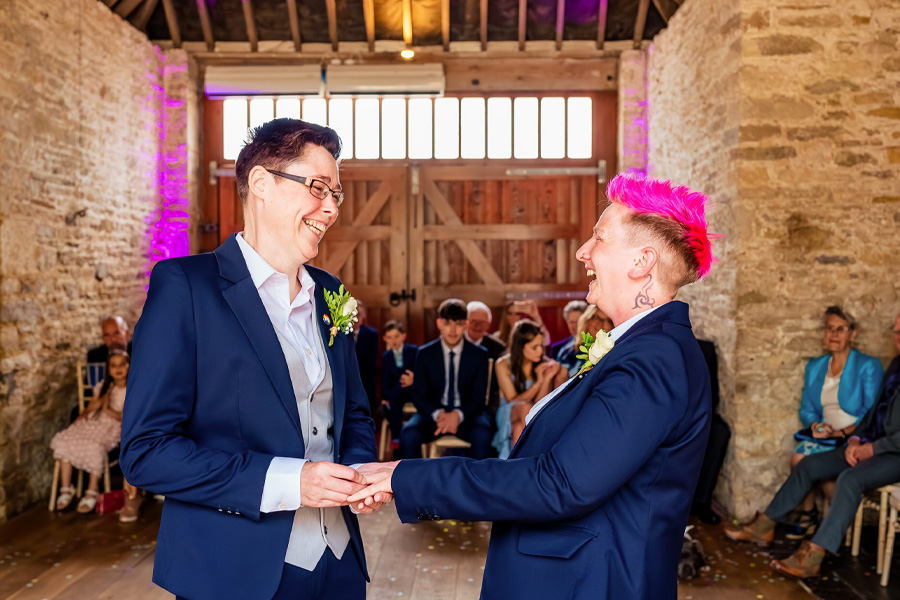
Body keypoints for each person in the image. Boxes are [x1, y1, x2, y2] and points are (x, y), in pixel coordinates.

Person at [351, 173, 718, 599]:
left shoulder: (653, 359)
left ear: (642, 262)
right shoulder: (643, 348)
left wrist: (407, 476)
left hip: (593, 584)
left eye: (598, 238)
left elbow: (559, 484)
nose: (584, 251)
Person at [120, 119, 383, 600]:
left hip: (340, 563)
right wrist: (291, 482)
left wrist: (359, 473)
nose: (330, 208)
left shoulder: (332, 294)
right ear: (261, 183)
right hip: (233, 569)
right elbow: (146, 453)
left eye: (337, 194)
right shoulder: (186, 288)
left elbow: (352, 413)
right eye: (318, 187)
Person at [725, 311, 900, 579]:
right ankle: (764, 525)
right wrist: (856, 439)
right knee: (809, 464)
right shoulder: (896, 365)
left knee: (850, 479)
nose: (898, 338)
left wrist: (870, 448)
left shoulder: (870, 365)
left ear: (852, 333)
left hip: (893, 454)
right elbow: (874, 412)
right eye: (896, 331)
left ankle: (814, 554)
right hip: (870, 443)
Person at [786, 306, 881, 538]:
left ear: (853, 334)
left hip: (854, 435)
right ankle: (809, 514)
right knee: (798, 457)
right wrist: (816, 427)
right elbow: (807, 409)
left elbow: (871, 411)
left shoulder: (868, 366)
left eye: (841, 329)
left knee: (829, 479)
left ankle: (831, 531)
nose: (834, 334)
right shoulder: (815, 366)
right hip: (826, 436)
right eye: (830, 328)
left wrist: (843, 433)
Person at [399, 298, 492, 460]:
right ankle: (413, 484)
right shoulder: (425, 353)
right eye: (448, 323)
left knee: (483, 435)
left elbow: (479, 399)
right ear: (439, 324)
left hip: (467, 415)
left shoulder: (479, 355)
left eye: (458, 323)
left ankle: (477, 484)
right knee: (409, 434)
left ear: (466, 325)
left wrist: (457, 415)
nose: (453, 329)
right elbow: (418, 396)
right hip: (434, 415)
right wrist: (438, 414)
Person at [52, 349, 130, 514]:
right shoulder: (103, 386)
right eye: (113, 365)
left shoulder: (130, 390)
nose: (118, 369)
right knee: (65, 439)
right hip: (95, 420)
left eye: (122, 364)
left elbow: (125, 417)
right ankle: (66, 488)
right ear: (108, 370)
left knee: (94, 445)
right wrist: (101, 400)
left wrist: (107, 408)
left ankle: (92, 489)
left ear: (129, 366)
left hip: (112, 426)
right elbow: (91, 407)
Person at [492, 320, 567, 459]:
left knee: (524, 419)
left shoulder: (544, 364)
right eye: (534, 347)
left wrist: (547, 377)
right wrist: (538, 382)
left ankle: (518, 461)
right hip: (508, 411)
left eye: (541, 345)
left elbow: (539, 403)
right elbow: (512, 399)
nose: (540, 351)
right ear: (520, 347)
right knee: (525, 408)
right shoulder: (503, 364)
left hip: (530, 413)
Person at [691, 339, 731, 525]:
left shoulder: (702, 349)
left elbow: (711, 397)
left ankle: (701, 501)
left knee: (719, 431)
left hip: (692, 413)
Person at [465, 300, 507, 416]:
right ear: (465, 322)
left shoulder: (498, 348)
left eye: (483, 322)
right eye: (473, 321)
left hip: (486, 405)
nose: (477, 326)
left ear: (488, 324)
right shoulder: (457, 343)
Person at [381, 320, 417, 444]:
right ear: (385, 339)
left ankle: (388, 402)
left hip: (413, 390)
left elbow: (422, 373)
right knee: (395, 402)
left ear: (403, 336)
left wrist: (412, 380)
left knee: (394, 396)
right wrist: (386, 394)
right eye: (390, 337)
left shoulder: (413, 351)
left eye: (397, 336)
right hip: (398, 394)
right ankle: (397, 440)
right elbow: (386, 379)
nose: (394, 341)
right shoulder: (387, 356)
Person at [558, 305, 614, 377]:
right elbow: (559, 383)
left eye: (607, 320)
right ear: (587, 320)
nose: (600, 323)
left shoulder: (614, 351)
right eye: (596, 318)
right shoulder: (568, 351)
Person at [354, 301, 379, 414]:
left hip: (365, 382)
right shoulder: (339, 334)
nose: (356, 318)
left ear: (363, 316)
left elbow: (370, 365)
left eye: (359, 314)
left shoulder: (371, 334)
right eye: (352, 314)